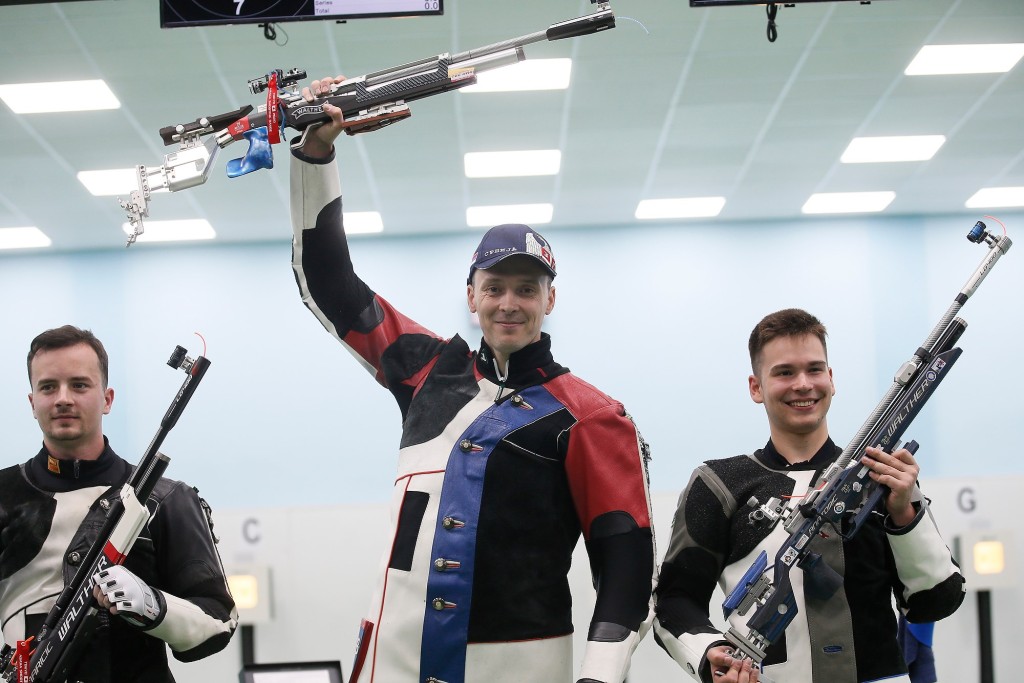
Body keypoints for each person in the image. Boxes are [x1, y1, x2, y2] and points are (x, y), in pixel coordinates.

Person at [287, 78, 656, 683]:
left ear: (549, 300)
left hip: (519, 667)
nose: (509, 303)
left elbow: (626, 562)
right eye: (494, 288)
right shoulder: (424, 368)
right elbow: (327, 282)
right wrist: (317, 155)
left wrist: (600, 673)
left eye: (527, 289)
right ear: (471, 296)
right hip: (392, 660)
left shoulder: (593, 417)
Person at [653, 308, 965, 683]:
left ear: (830, 379)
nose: (803, 384)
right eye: (784, 372)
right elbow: (673, 601)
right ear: (756, 387)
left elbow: (936, 602)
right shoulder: (718, 483)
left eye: (814, 370)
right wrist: (709, 653)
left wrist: (905, 513)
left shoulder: (880, 476)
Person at [0, 325, 237, 682]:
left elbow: (218, 623)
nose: (63, 398)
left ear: (107, 399)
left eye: (79, 385)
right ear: (33, 403)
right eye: (48, 387)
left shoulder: (166, 499)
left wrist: (152, 605)